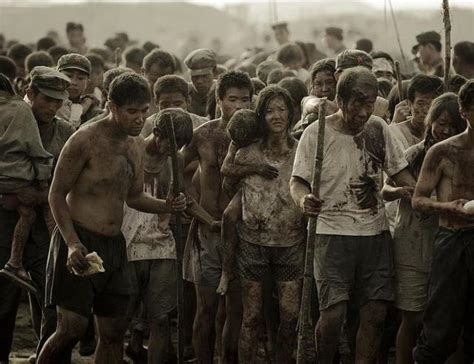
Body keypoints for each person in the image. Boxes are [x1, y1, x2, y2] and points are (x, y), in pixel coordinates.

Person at [37, 73, 186, 364]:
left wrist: (167, 206)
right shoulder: (84, 140)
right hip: (79, 239)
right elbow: (56, 195)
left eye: (144, 111)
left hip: (115, 246)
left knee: (115, 331)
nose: (139, 119)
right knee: (72, 329)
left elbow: (134, 197)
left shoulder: (135, 145)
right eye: (132, 111)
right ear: (111, 105)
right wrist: (71, 244)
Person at [290, 67, 416, 364]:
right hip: (330, 234)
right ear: (341, 99)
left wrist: (419, 194)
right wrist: (303, 200)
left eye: (369, 103)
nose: (363, 111)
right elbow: (297, 181)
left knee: (374, 313)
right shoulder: (316, 132)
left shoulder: (378, 129)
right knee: (333, 315)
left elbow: (400, 173)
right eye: (356, 103)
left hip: (374, 233)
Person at [123, 108, 219, 363]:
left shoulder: (175, 160)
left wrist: (210, 222)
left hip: (161, 245)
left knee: (162, 318)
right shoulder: (130, 152)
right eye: (169, 143)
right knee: (118, 318)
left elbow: (184, 198)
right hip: (126, 242)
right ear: (156, 133)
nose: (171, 150)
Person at [382, 93, 467, 364]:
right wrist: (402, 191)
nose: (444, 130)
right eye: (439, 123)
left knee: (452, 318)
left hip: (445, 242)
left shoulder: (459, 153)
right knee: (415, 317)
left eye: (450, 125)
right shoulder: (418, 154)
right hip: (414, 240)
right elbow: (385, 189)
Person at [0, 67, 76, 363]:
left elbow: (72, 186)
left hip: (48, 224)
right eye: (47, 99)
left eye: (58, 101)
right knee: (4, 296)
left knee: (52, 297)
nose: (53, 107)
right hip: (7, 220)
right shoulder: (8, 119)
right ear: (29, 94)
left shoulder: (66, 133)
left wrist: (40, 196)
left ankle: (47, 356)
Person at [182, 70, 253, 363]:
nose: (238, 106)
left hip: (245, 234)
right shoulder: (204, 135)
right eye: (232, 100)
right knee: (206, 308)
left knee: (235, 311)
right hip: (207, 234)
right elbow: (176, 172)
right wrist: (196, 211)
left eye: (245, 100)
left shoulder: (256, 137)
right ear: (219, 100)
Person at [411, 80, 474, 363]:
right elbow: (418, 199)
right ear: (464, 111)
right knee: (439, 330)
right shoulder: (443, 151)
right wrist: (448, 207)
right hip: (452, 242)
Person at [389, 74, 443, 150]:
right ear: (410, 104)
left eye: (433, 103)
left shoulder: (444, 132)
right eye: (421, 103)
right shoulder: (395, 133)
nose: (427, 109)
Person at [56, 53, 96, 128]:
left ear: (87, 82)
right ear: (57, 76)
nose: (74, 82)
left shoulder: (93, 111)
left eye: (80, 78)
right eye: (68, 76)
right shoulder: (50, 104)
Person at [184, 48, 218, 117]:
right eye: (195, 77)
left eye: (204, 76)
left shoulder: (222, 92)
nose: (199, 81)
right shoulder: (183, 93)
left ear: (214, 72)